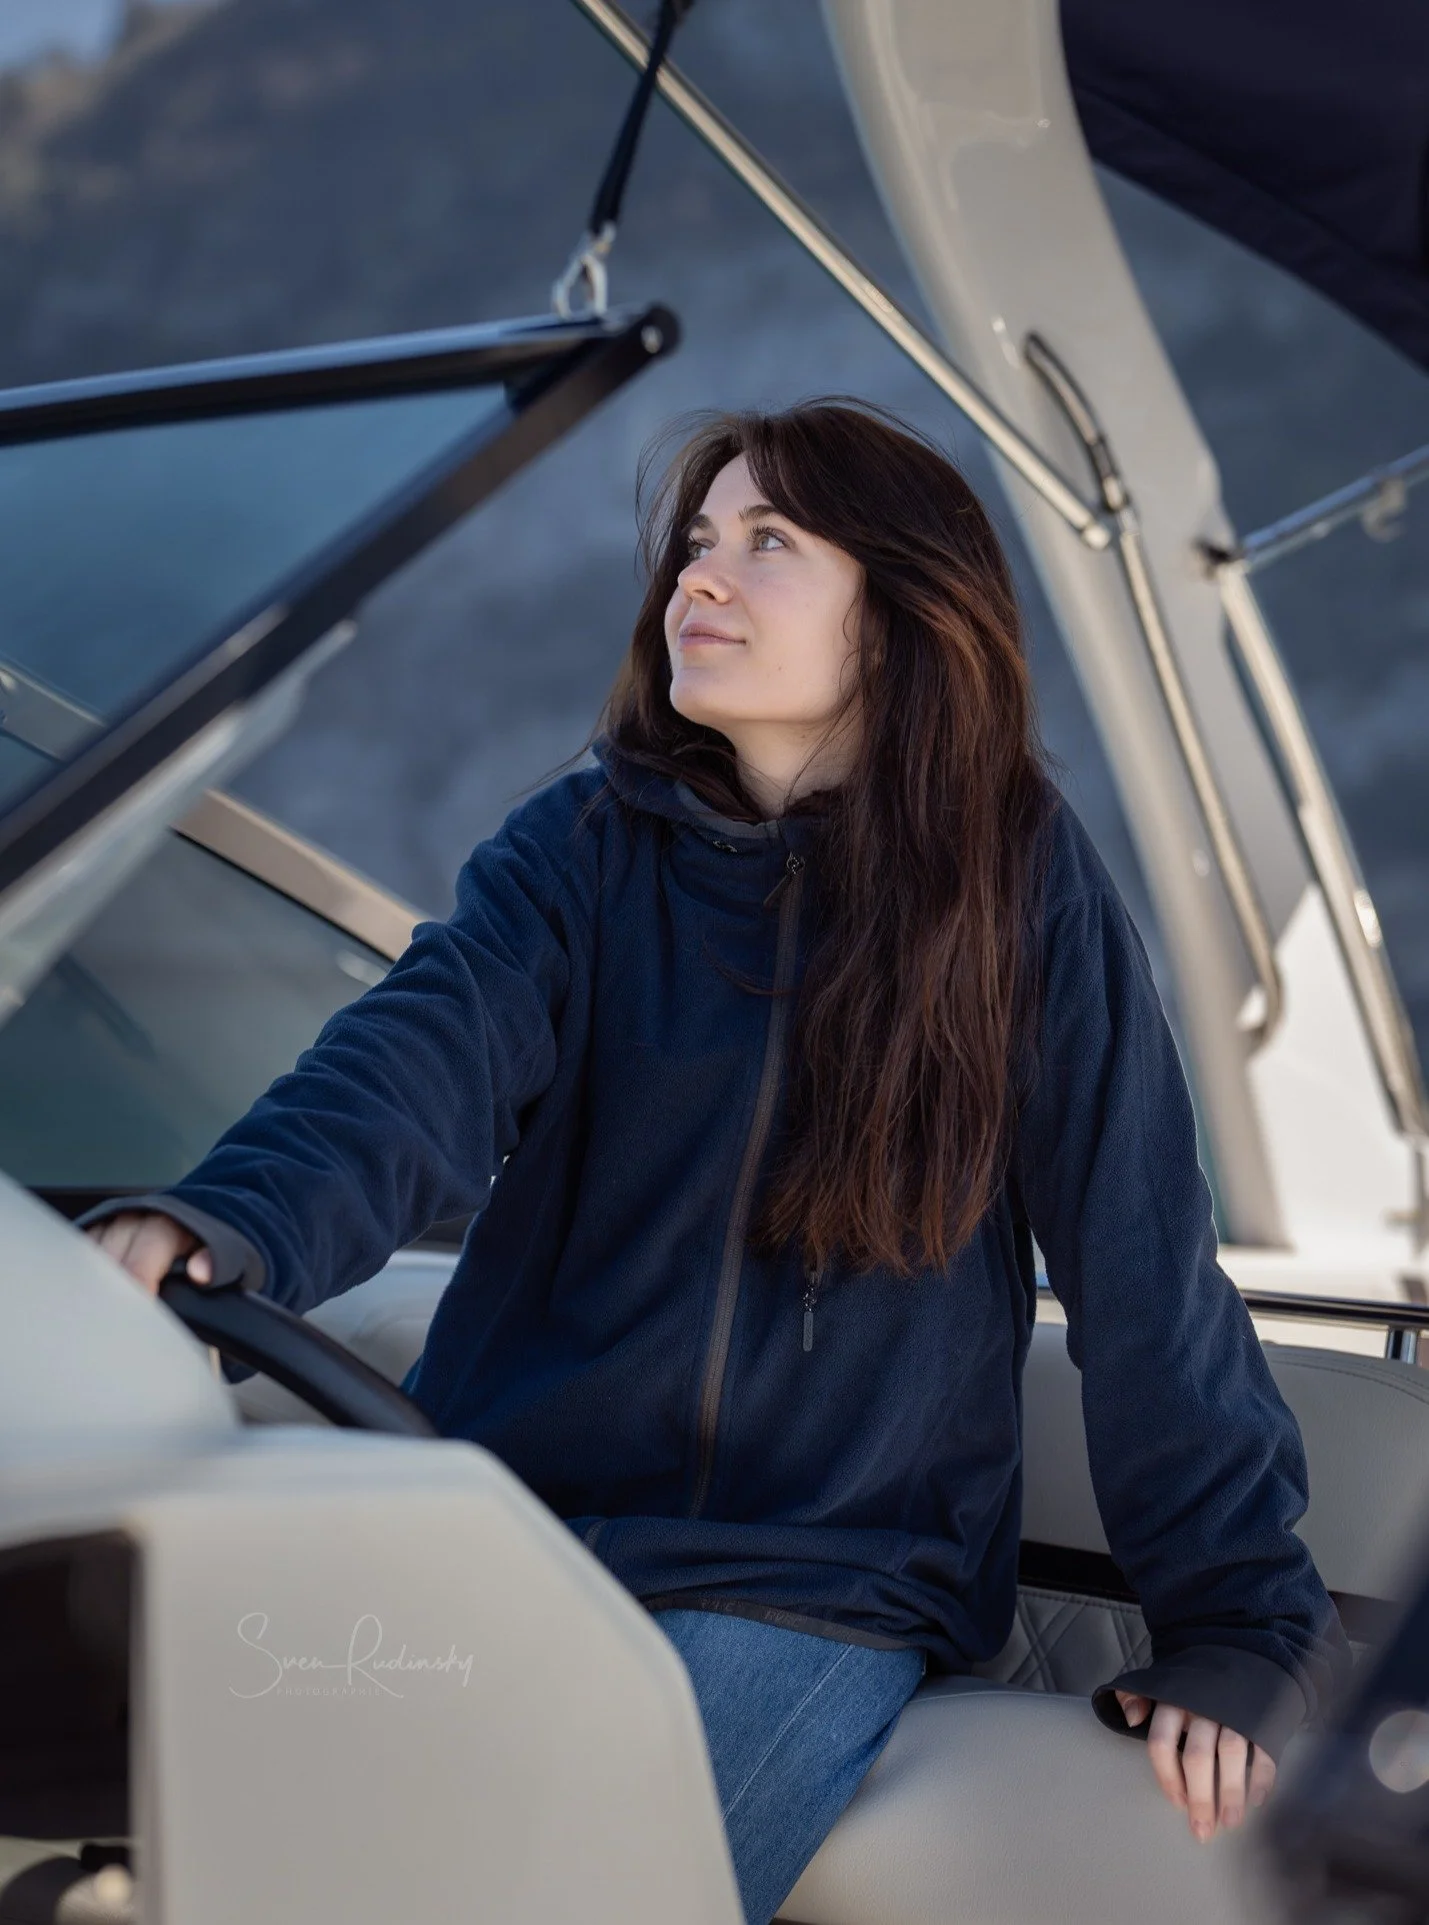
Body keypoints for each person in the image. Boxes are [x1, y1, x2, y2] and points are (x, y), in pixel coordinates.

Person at [83, 398, 1349, 1925]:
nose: (700, 579)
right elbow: (414, 1059)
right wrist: (226, 1220)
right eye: (695, 544)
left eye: (769, 544)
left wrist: (1237, 1625)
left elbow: (1145, 1263)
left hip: (814, 1581)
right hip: (504, 1537)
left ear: (899, 614)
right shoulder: (578, 854)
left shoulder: (1018, 896)